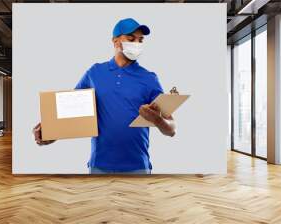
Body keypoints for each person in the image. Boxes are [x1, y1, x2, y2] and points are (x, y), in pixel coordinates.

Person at [33, 18, 176, 174]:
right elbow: (71, 115)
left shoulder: (149, 78)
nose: (137, 43)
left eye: (141, 40)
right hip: (99, 166)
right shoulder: (94, 72)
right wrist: (49, 134)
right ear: (115, 41)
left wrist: (156, 119)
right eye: (131, 38)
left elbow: (171, 130)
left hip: (138, 167)